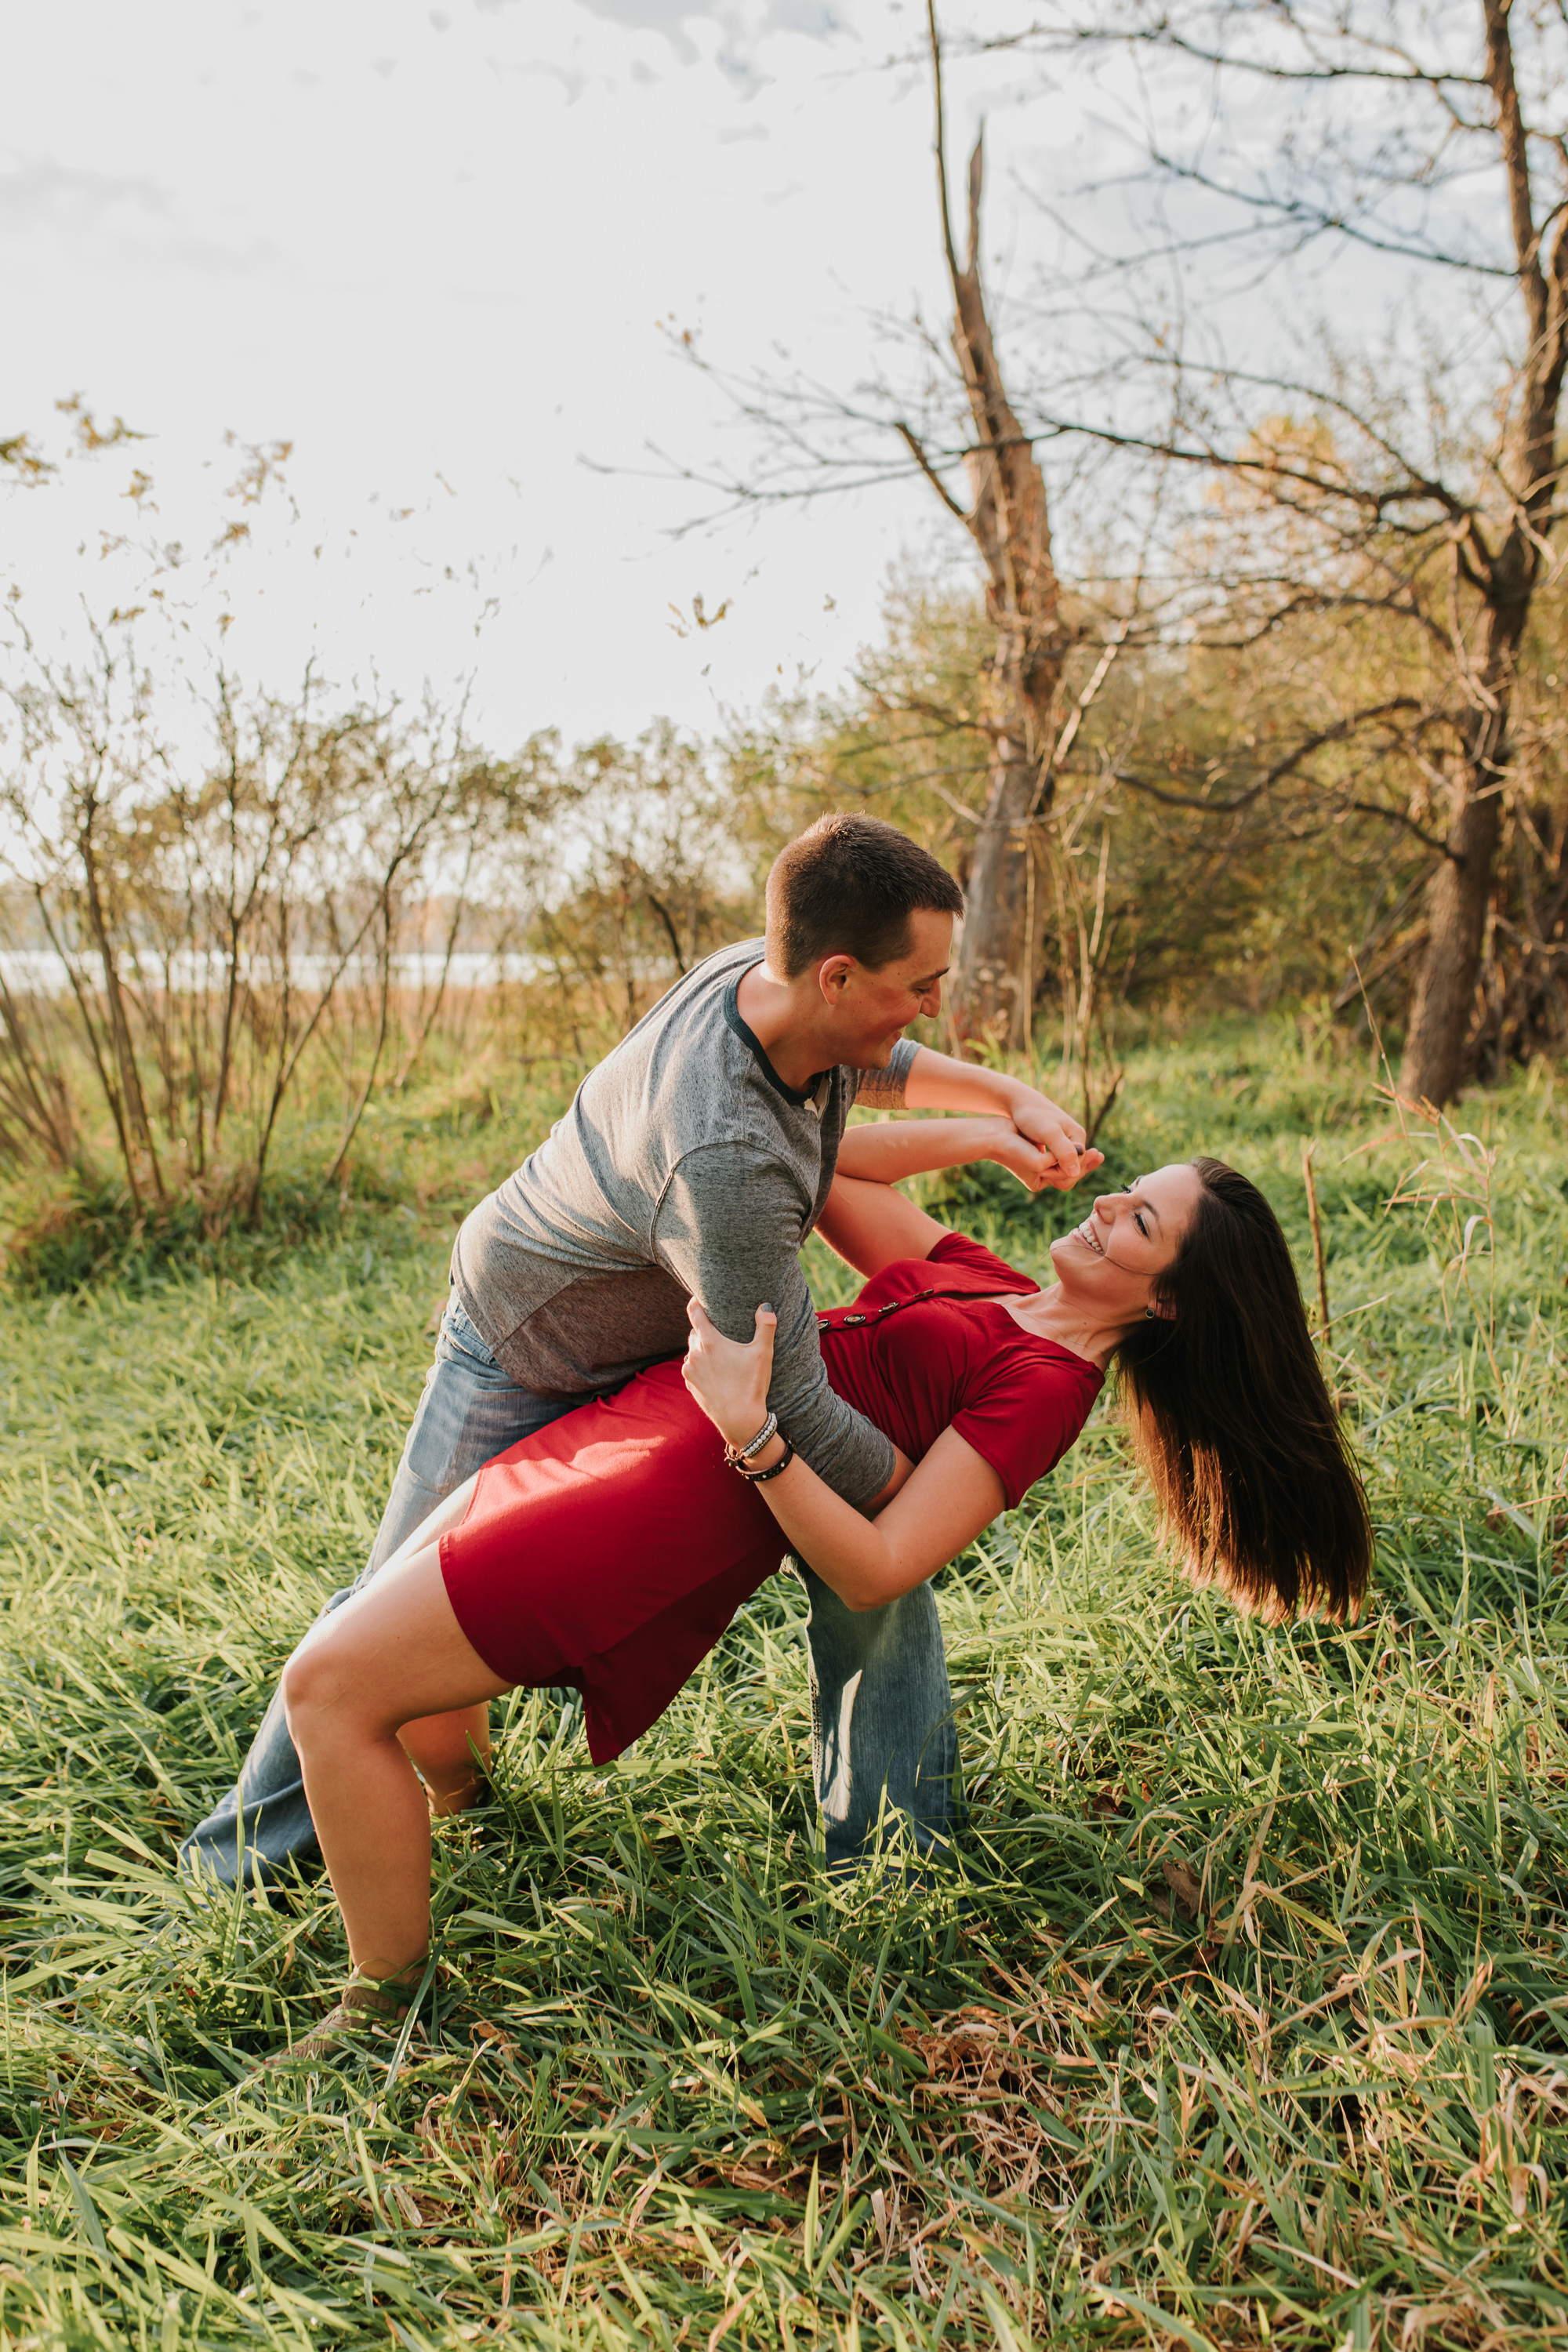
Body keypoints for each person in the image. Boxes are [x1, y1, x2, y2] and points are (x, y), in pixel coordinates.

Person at [273, 1130, 1371, 2057]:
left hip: (666, 1494)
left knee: (330, 1683)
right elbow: (827, 1164)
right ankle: (469, 1821)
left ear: (1171, 1303)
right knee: (410, 1683)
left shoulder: (1044, 1389)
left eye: (1139, 1222)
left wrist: (753, 1434)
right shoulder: (992, 1281)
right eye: (1130, 1188)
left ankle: (383, 2007)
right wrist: (986, 1131)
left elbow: (882, 1566)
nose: (1107, 1205)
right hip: (643, 1416)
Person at [180, 814, 1101, 1891]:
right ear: (838, 977)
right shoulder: (726, 1158)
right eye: (922, 982)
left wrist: (1000, 1101)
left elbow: (875, 1073)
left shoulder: (765, 983)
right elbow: (791, 1400)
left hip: (668, 1316)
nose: (938, 1004)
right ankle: (238, 1871)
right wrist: (924, 1503)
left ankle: (895, 1847)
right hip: (527, 1339)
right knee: (380, 1612)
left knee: (873, 1557)